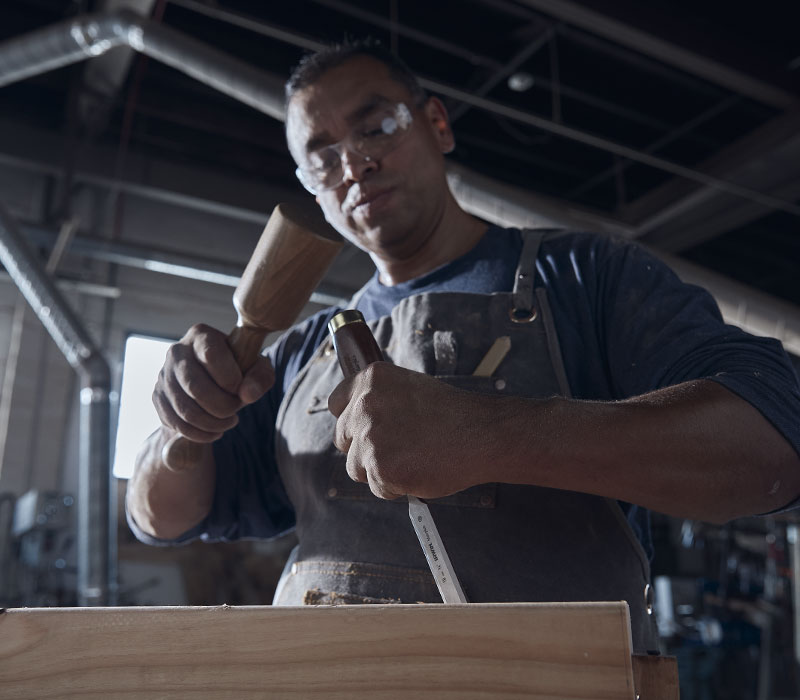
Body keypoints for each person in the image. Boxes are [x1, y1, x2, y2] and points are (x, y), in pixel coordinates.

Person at [126, 40, 800, 652]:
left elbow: (770, 448)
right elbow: (162, 517)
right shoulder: (302, 350)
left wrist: (491, 434)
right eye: (321, 157)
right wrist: (178, 430)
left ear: (438, 125)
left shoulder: (583, 279)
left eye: (376, 126)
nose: (353, 162)